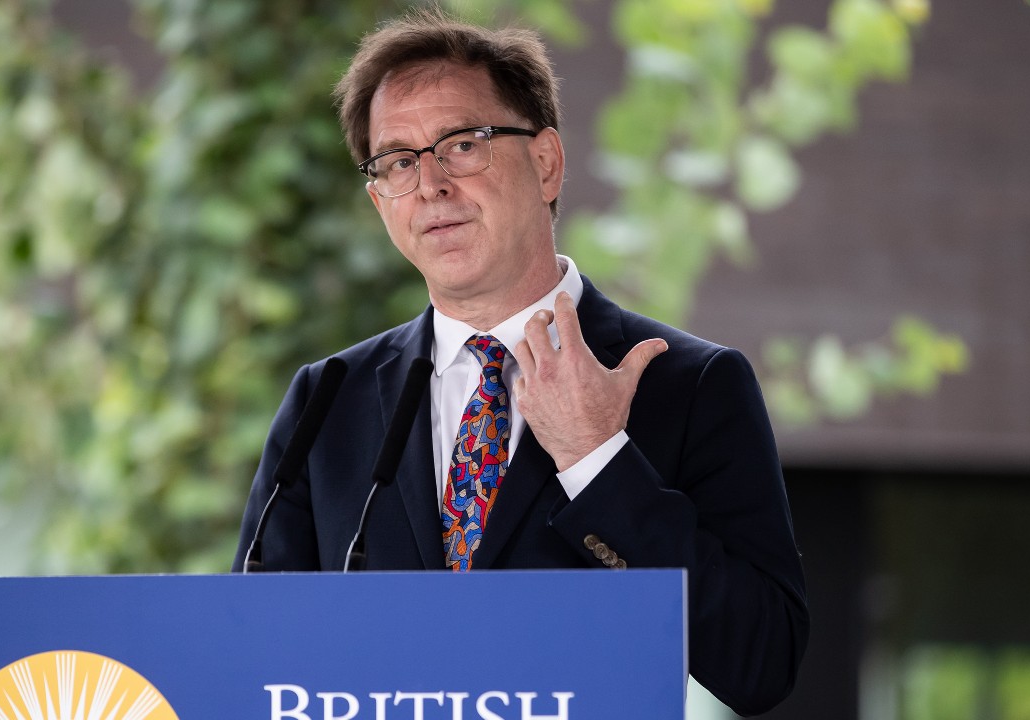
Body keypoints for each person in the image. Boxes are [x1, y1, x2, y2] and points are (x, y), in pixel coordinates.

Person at [234, 9, 807, 716]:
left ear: (545, 162)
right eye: (398, 162)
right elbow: (254, 659)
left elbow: (761, 662)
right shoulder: (328, 400)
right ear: (378, 198)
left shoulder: (688, 384)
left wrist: (596, 462)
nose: (431, 186)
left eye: (463, 145)